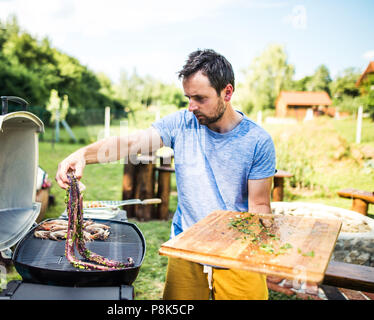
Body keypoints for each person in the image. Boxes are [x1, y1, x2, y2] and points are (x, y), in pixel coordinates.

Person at [55, 49, 276, 300]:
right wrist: (84, 154)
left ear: (227, 92)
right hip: (187, 245)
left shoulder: (258, 141)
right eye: (188, 97)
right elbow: (130, 144)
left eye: (200, 98)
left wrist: (267, 253)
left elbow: (259, 204)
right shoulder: (181, 123)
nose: (191, 107)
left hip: (239, 253)